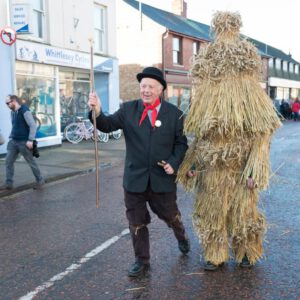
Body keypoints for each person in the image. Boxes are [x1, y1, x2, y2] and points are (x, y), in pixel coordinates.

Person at [177, 12, 281, 271]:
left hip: (239, 167)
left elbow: (262, 134)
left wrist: (254, 169)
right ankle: (215, 254)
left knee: (243, 212)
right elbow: (199, 136)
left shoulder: (248, 94)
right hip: (212, 169)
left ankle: (246, 252)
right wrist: (190, 164)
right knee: (212, 212)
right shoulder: (207, 97)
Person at [88, 67, 190, 277]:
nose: (146, 90)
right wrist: (97, 111)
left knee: (170, 215)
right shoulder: (128, 110)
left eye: (151, 87)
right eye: (143, 86)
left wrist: (173, 162)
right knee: (136, 221)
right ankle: (141, 261)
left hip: (162, 179)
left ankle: (181, 235)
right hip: (135, 179)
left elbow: (181, 144)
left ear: (161, 89)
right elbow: (106, 125)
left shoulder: (175, 114)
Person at [0, 95, 45, 190]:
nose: (7, 105)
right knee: (8, 161)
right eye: (6, 104)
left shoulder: (25, 111)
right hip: (13, 141)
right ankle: (9, 184)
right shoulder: (13, 112)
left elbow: (33, 126)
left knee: (31, 162)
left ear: (14, 101)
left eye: (8, 103)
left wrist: (30, 140)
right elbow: (15, 126)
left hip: (24, 142)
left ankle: (40, 180)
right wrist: (11, 136)